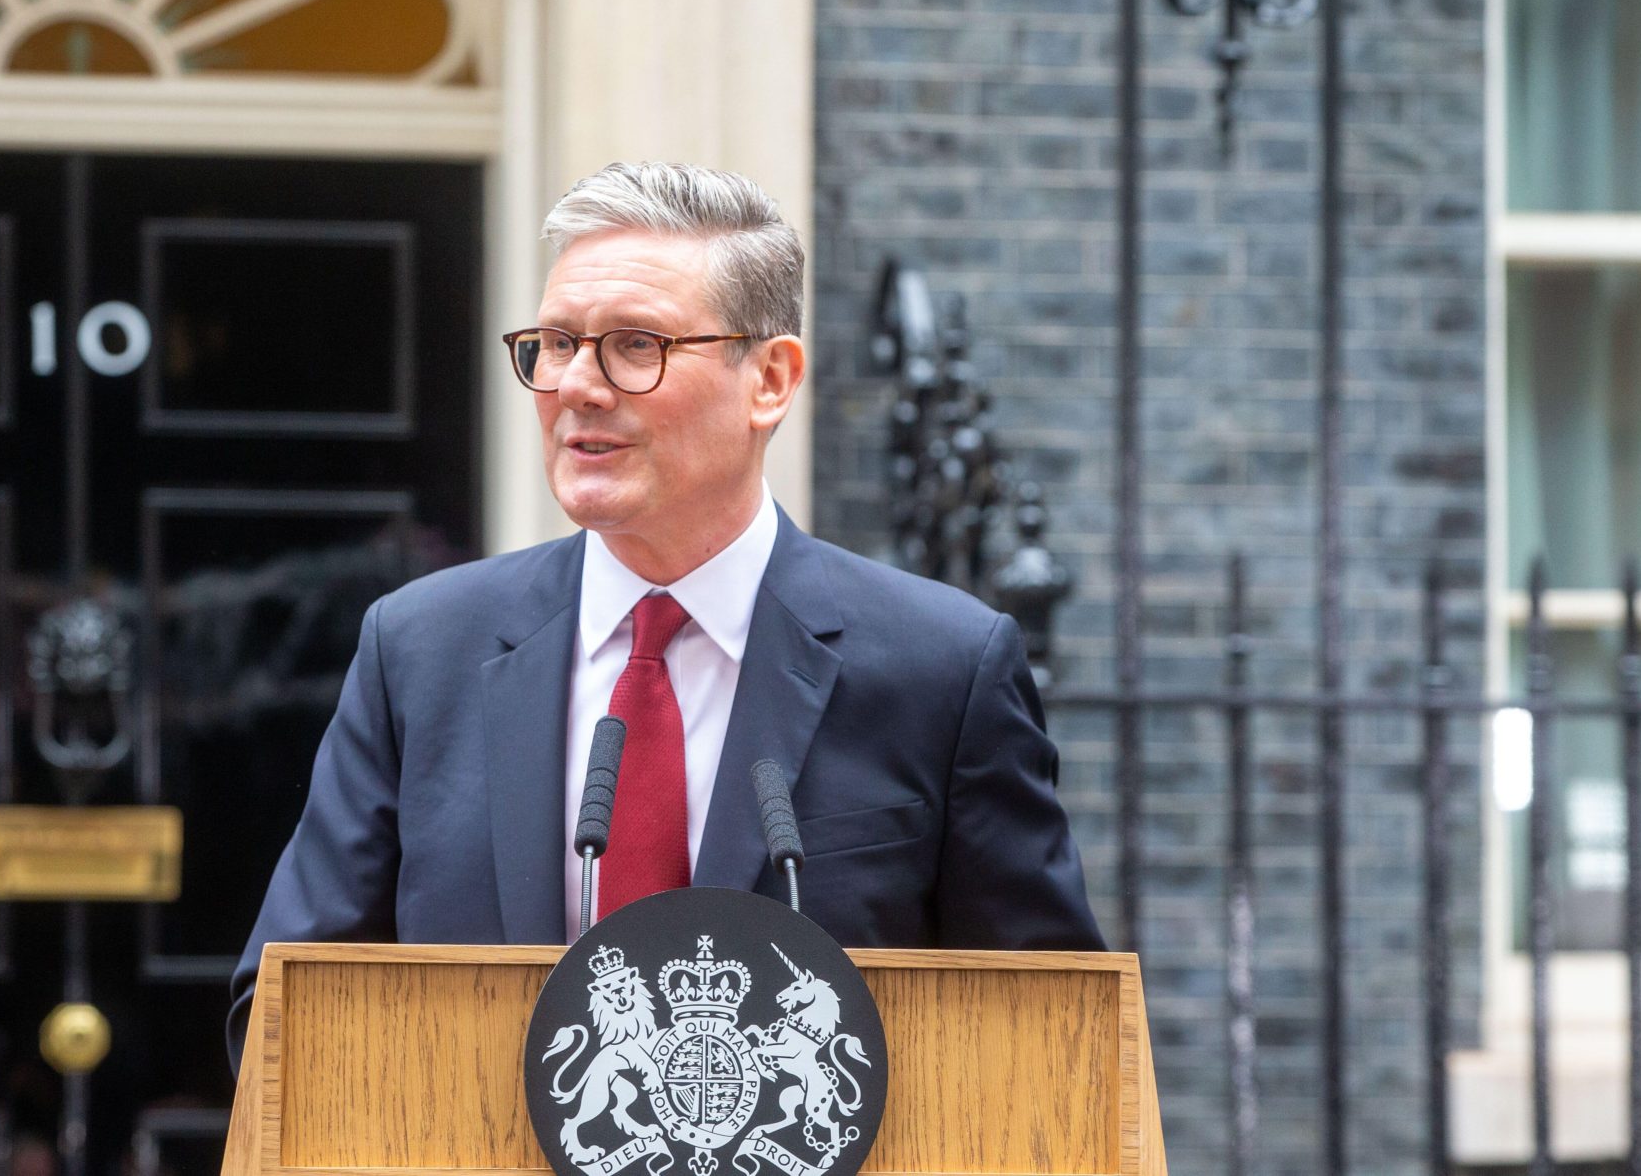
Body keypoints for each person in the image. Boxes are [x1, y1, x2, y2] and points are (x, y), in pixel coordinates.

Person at [228, 162, 1103, 1070]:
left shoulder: (943, 668)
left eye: (635, 345)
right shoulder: (418, 649)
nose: (576, 385)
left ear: (769, 378)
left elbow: (1050, 1041)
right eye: (557, 342)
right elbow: (285, 1016)